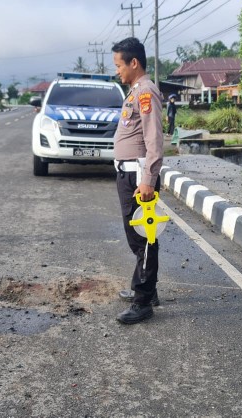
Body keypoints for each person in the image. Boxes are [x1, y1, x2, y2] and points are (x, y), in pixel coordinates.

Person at [111, 37, 164, 324]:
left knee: (143, 237)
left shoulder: (145, 93)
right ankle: (146, 287)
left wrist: (148, 178)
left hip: (138, 175)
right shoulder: (134, 91)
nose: (117, 70)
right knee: (139, 236)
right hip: (129, 172)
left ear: (134, 63)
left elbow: (154, 139)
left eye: (119, 65)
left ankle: (143, 301)